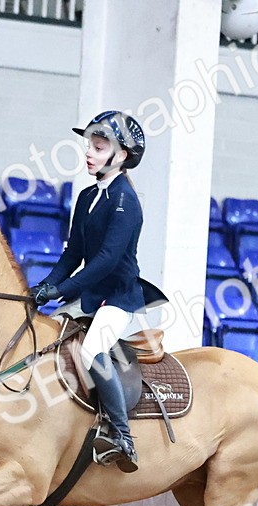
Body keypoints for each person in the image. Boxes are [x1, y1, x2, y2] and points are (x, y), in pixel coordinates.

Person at [30, 110, 167, 473]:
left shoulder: (126, 202)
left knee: (91, 350)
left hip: (119, 299)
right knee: (45, 335)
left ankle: (123, 436)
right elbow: (73, 254)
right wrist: (45, 286)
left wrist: (61, 289)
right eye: (89, 143)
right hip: (89, 295)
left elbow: (105, 262)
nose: (89, 151)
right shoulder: (88, 195)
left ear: (121, 155)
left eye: (99, 145)